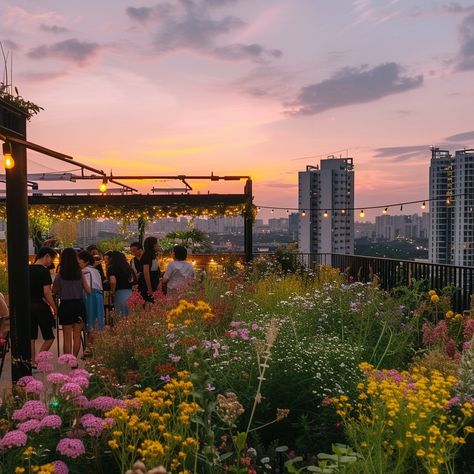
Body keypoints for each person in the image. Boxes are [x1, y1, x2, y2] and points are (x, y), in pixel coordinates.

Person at [53, 248, 90, 357]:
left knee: (66, 336)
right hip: (78, 305)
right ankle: (74, 359)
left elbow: (54, 290)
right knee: (77, 335)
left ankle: (68, 361)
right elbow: (88, 290)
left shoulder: (60, 275)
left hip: (65, 305)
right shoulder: (80, 273)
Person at [29, 247, 57, 363]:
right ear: (46, 256)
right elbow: (46, 292)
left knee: (31, 337)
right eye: (51, 258)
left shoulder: (27, 269)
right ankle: (38, 360)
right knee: (49, 337)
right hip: (40, 306)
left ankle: (31, 361)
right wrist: (54, 306)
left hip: (28, 306)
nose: (51, 262)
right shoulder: (44, 271)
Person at [78, 250, 105, 332]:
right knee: (97, 324)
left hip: (90, 298)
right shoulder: (96, 271)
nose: (77, 261)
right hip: (99, 297)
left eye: (78, 259)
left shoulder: (85, 271)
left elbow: (87, 289)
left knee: (90, 325)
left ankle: (90, 344)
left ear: (84, 260)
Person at [108, 251, 135, 317]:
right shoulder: (128, 268)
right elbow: (133, 280)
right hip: (130, 293)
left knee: (120, 317)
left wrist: (112, 292)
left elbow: (113, 281)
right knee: (131, 317)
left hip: (120, 294)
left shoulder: (112, 268)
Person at [139, 236, 161, 302]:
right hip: (148, 285)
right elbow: (146, 273)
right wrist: (149, 288)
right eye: (157, 243)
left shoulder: (153, 255)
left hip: (153, 283)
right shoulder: (147, 255)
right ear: (153, 245)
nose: (159, 245)